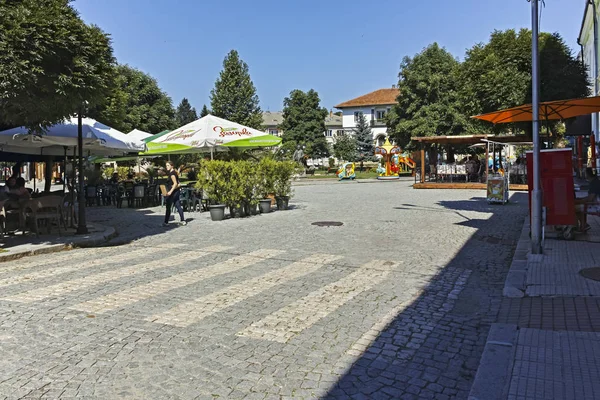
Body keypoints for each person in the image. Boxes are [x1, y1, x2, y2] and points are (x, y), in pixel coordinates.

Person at [575, 167, 600, 232]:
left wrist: (578, 201)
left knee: (574, 207)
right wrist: (580, 199)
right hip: (595, 203)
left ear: (588, 174)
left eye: (585, 173)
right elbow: (590, 197)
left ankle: (583, 225)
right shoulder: (595, 181)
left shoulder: (595, 183)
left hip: (596, 205)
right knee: (577, 205)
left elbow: (590, 199)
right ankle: (584, 224)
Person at [163, 161, 186, 227]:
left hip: (172, 192)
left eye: (168, 165)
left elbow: (175, 183)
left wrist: (170, 191)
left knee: (168, 207)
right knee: (178, 205)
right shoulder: (174, 173)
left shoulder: (172, 174)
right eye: (166, 165)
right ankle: (182, 220)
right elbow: (177, 183)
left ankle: (166, 222)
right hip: (176, 191)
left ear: (172, 166)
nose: (166, 167)